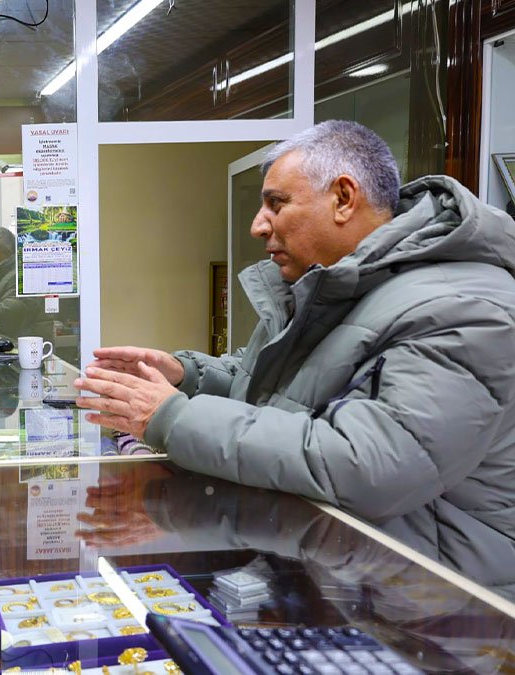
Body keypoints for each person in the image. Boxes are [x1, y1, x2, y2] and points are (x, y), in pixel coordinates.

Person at [74, 120, 515, 595]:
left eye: (276, 203)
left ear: (343, 198)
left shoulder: (466, 308)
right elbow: (276, 384)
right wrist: (187, 376)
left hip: (442, 607)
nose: (258, 225)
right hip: (339, 581)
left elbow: (367, 465)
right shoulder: (332, 284)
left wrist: (172, 417)